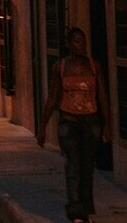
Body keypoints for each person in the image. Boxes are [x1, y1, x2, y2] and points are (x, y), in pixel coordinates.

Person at [37, 27, 110, 223]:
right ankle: (76, 210)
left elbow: (102, 96)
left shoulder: (94, 66)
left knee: (87, 167)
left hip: (91, 121)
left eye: (83, 42)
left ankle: (85, 207)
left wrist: (107, 124)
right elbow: (53, 98)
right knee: (73, 166)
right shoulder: (60, 67)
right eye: (77, 41)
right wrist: (42, 127)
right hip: (69, 121)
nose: (82, 46)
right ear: (69, 44)